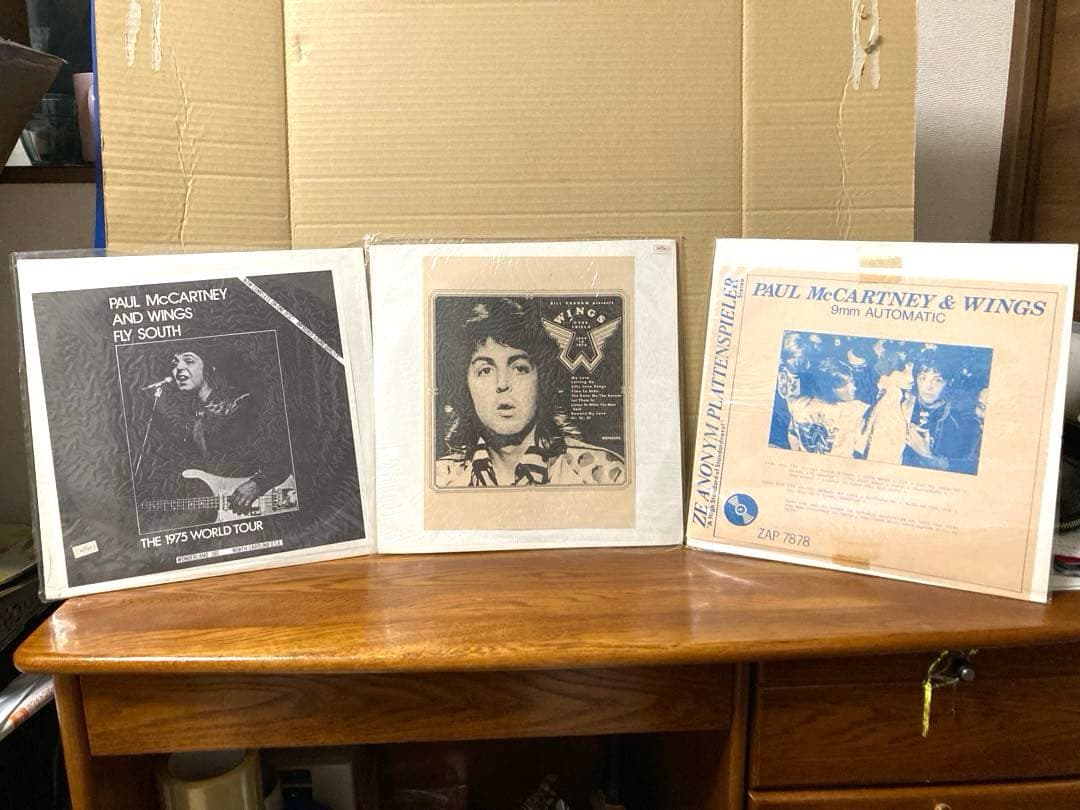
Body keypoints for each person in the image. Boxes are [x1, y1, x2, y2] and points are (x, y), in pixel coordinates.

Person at [434, 298, 626, 487]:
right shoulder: (440, 479)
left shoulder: (602, 475)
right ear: (466, 385)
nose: (502, 384)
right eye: (485, 370)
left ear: (542, 380)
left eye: (519, 368)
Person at [135, 342, 292, 519]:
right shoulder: (191, 417)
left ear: (209, 368)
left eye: (189, 361)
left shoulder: (242, 406)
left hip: (268, 502)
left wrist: (258, 484)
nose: (179, 368)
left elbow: (286, 451)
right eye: (175, 362)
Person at [900, 348, 982, 474]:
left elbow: (966, 467)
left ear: (948, 382)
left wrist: (927, 456)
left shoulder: (959, 420)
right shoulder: (903, 406)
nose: (928, 387)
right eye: (923, 378)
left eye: (937, 380)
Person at [785, 358, 874, 457]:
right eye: (846, 384)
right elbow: (861, 448)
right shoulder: (856, 411)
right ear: (831, 388)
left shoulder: (799, 404)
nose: (854, 387)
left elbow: (792, 436)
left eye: (852, 382)